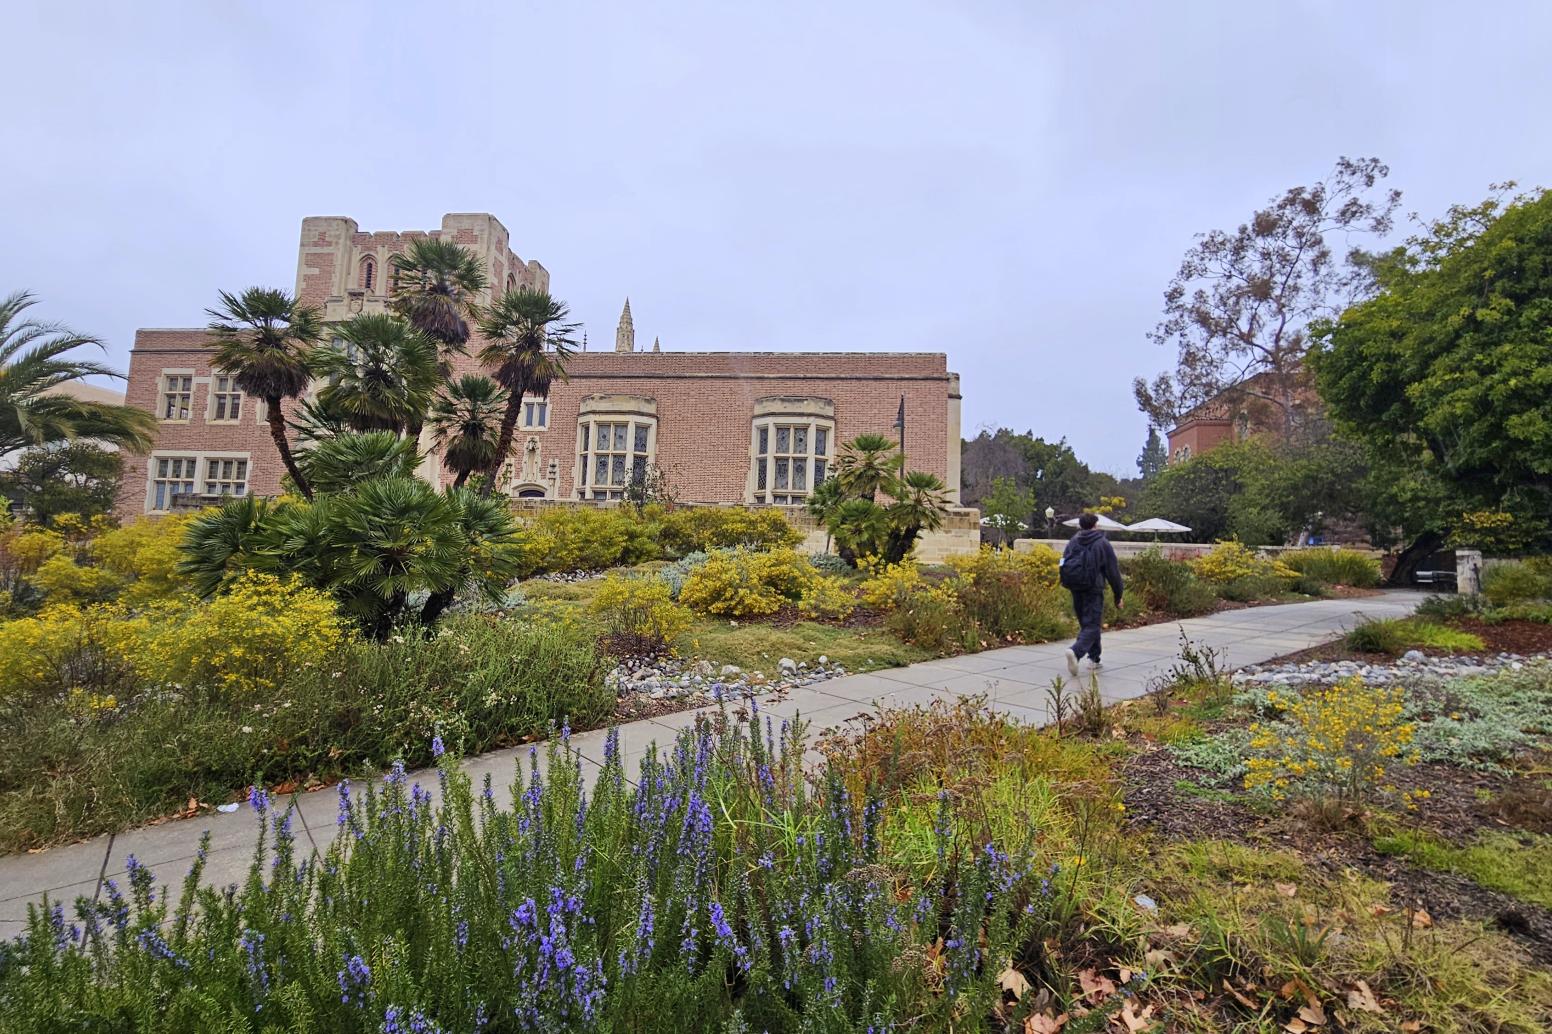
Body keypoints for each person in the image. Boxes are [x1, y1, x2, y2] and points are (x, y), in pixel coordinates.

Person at [1059, 512, 1124, 676]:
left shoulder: (1073, 541)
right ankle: (1076, 651)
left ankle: (1094, 658)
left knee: (1087, 624)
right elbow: (1113, 571)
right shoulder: (1102, 543)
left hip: (1075, 586)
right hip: (1093, 588)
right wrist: (1118, 595)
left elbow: (1064, 561)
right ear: (1095, 525)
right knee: (1093, 624)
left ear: (1080, 525)